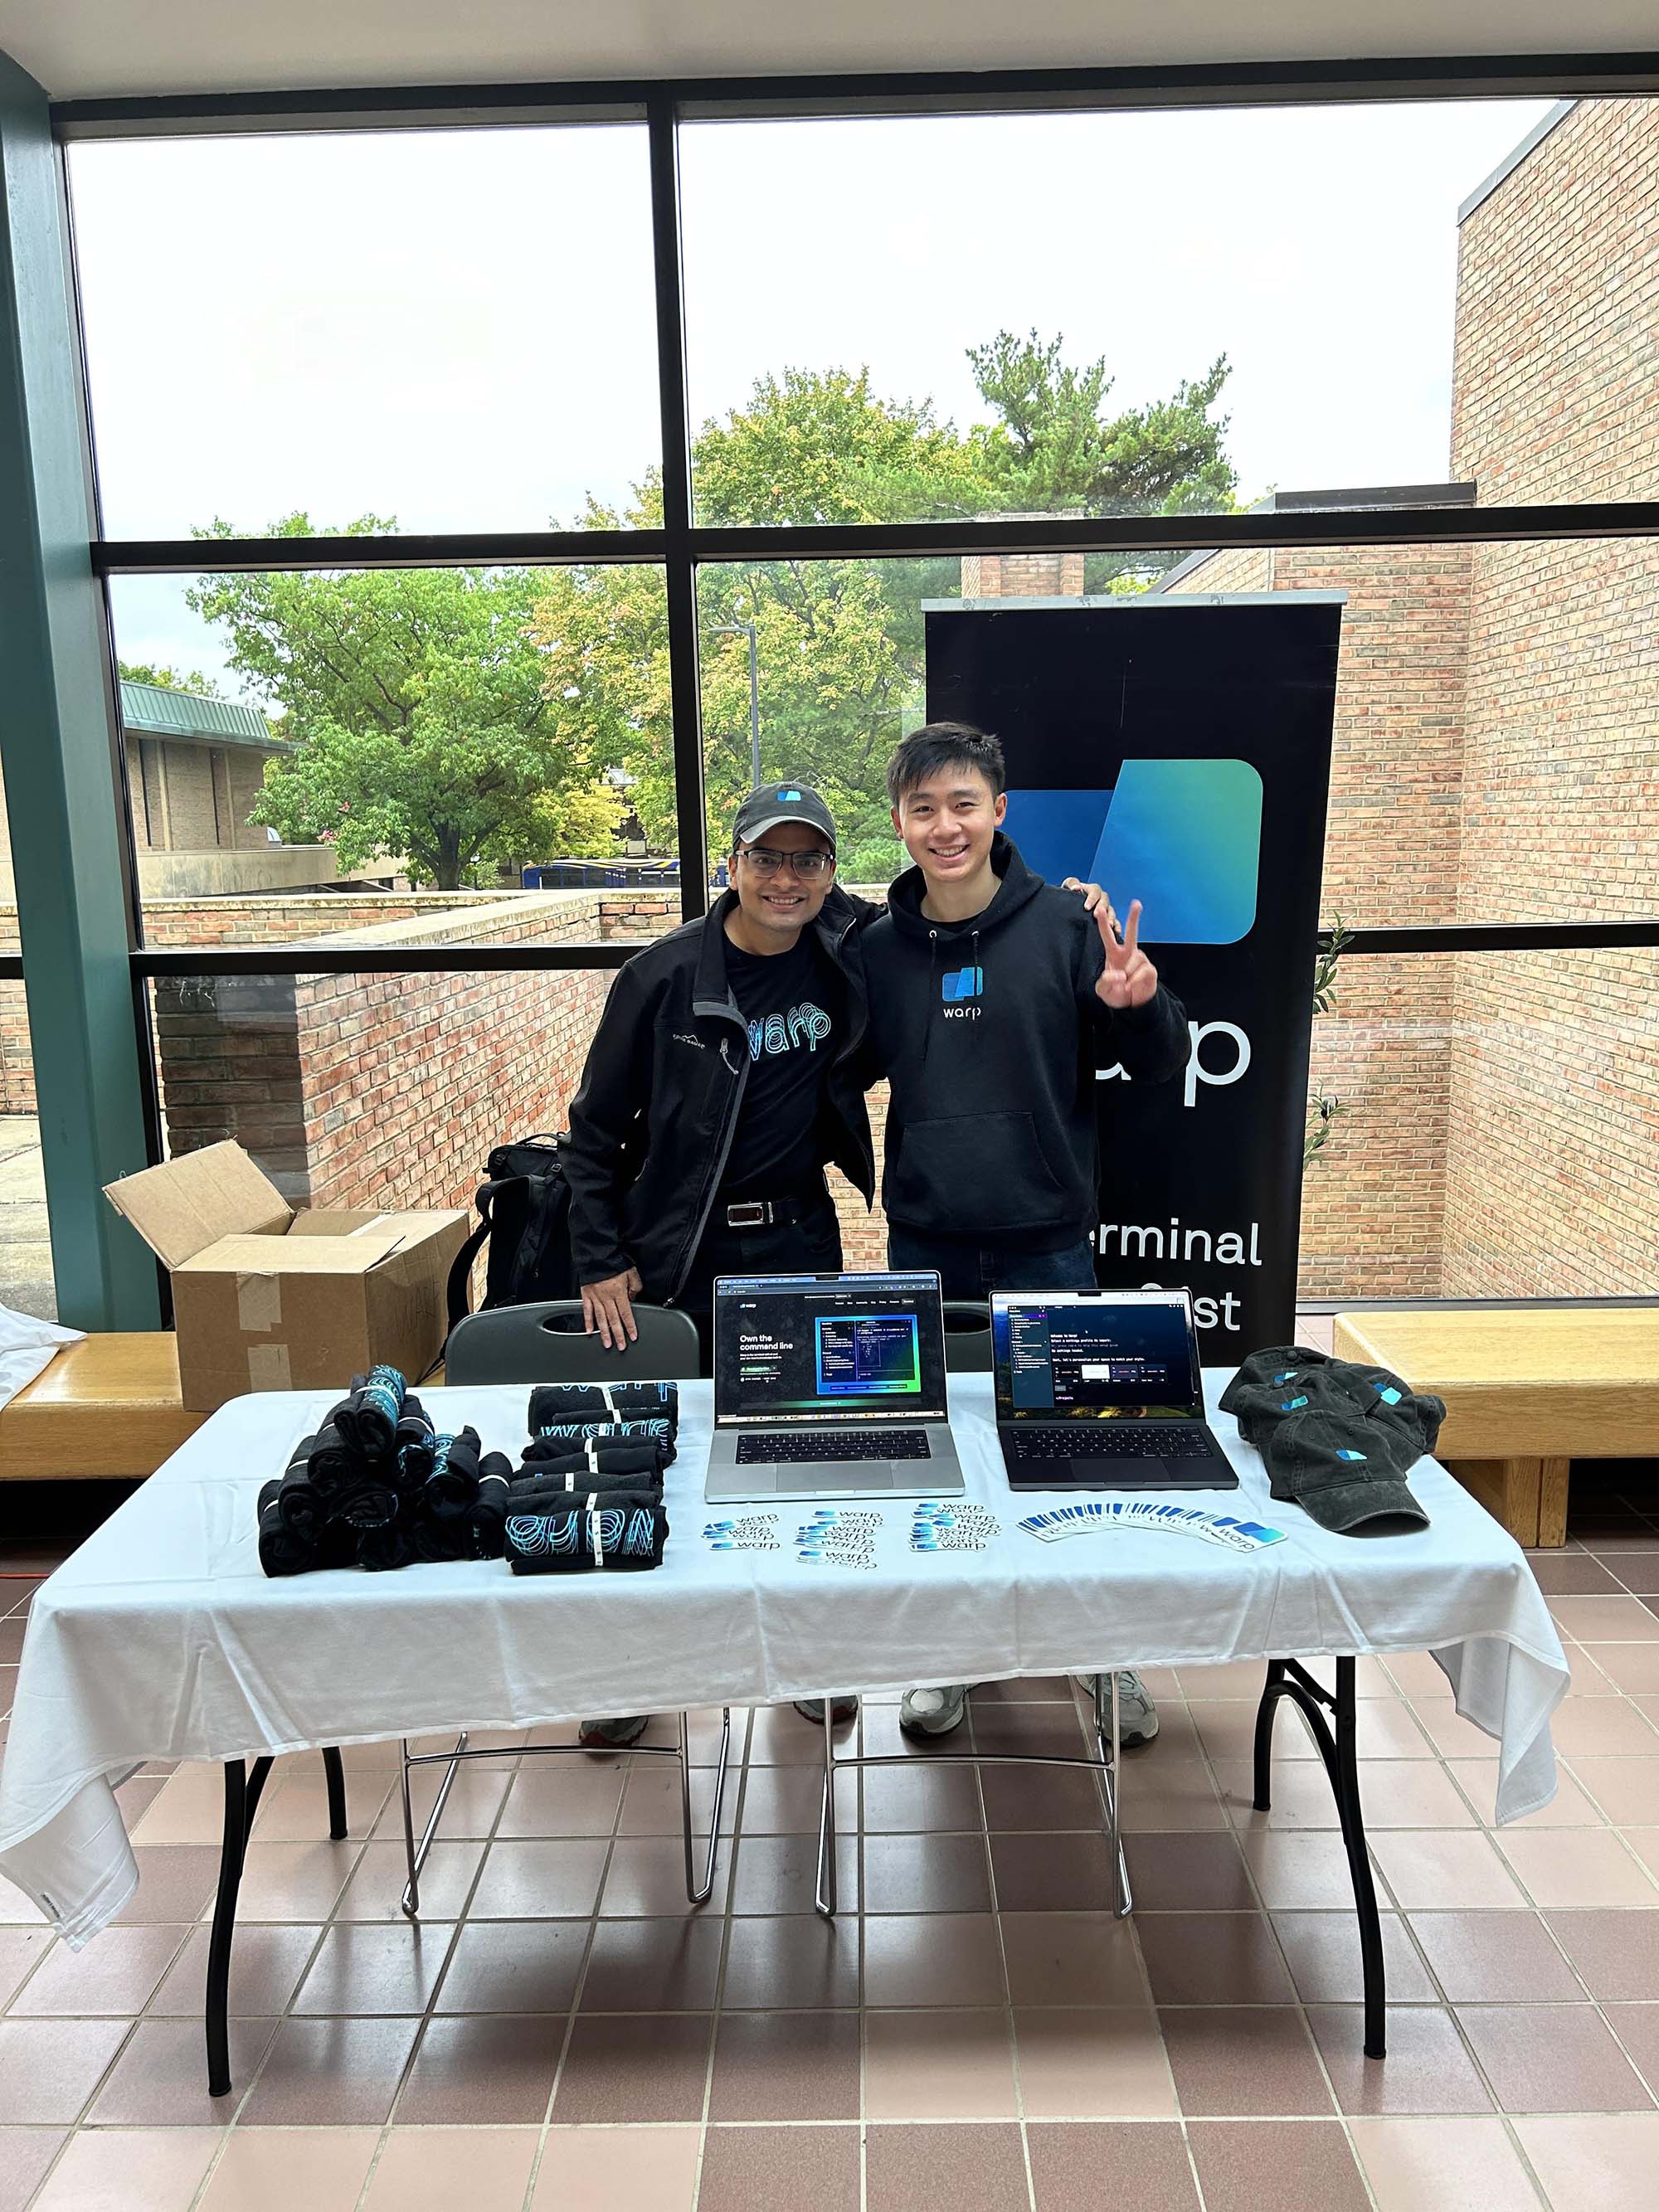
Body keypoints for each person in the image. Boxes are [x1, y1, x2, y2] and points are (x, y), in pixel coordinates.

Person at [860, 721, 1193, 1744]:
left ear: (997, 812)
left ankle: (1099, 1650)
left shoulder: (1064, 925)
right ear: (899, 822)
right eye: (923, 808)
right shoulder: (873, 950)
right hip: (926, 1241)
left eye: (962, 804)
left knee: (1075, 1459)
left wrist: (1140, 1006)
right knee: (939, 1460)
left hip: (1047, 1239)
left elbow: (1159, 1058)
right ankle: (953, 1652)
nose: (944, 826)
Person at [562, 780, 877, 1746]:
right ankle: (636, 1668)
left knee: (797, 1457)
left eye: (805, 860)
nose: (785, 878)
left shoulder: (845, 953)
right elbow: (591, 1133)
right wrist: (600, 1258)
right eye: (766, 857)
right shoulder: (659, 980)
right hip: (676, 1248)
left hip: (794, 1241)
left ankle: (804, 1654)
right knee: (653, 1458)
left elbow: (942, 914)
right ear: (730, 866)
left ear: (828, 872)